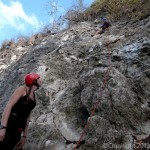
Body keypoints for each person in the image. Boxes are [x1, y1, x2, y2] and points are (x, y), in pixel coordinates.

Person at [0, 73, 42, 150]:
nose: (41, 80)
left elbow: (27, 116)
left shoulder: (33, 95)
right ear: (34, 81)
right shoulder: (22, 89)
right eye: (39, 78)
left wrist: (24, 136)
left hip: (18, 129)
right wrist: (2, 127)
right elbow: (9, 106)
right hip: (10, 125)